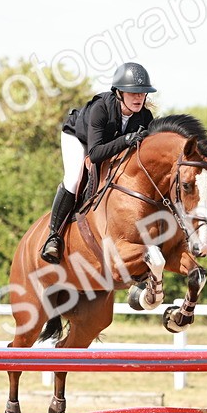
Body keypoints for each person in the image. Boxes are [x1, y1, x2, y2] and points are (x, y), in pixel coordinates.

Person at [40, 61, 156, 263]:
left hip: (107, 145)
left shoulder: (145, 117)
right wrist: (126, 140)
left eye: (142, 93)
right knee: (73, 179)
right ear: (119, 93)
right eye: (133, 93)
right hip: (79, 138)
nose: (139, 97)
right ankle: (54, 236)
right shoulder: (101, 108)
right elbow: (94, 154)